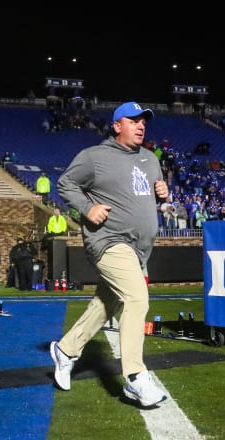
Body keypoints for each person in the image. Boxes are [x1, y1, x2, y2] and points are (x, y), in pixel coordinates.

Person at [50, 101, 169, 407]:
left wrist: (165, 195)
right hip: (108, 241)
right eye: (134, 121)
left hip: (139, 249)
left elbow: (150, 194)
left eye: (144, 121)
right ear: (117, 126)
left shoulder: (150, 159)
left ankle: (65, 350)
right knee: (136, 297)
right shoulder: (95, 156)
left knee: (106, 303)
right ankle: (135, 377)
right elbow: (65, 184)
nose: (141, 125)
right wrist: (88, 208)